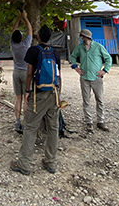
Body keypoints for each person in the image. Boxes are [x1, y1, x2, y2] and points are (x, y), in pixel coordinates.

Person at [11, 25, 61, 175]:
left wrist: (27, 91)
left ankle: (24, 164)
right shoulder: (55, 53)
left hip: (38, 94)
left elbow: (29, 74)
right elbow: (59, 75)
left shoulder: (33, 51)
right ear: (50, 37)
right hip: (54, 93)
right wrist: (59, 93)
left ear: (39, 37)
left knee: (30, 127)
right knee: (53, 128)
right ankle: (51, 162)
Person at [70, 29, 112, 133]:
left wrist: (105, 70)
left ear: (85, 36)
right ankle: (89, 122)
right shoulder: (79, 47)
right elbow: (73, 56)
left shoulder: (98, 47)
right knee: (86, 100)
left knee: (100, 99)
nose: (81, 37)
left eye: (82, 36)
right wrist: (76, 68)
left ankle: (100, 120)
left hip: (96, 77)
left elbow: (108, 58)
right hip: (84, 78)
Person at [10, 10, 33, 133]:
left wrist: (18, 18)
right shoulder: (26, 45)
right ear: (21, 38)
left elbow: (14, 31)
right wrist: (25, 17)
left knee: (18, 98)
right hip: (25, 73)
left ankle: (17, 121)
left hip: (16, 72)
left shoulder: (13, 45)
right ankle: (25, 122)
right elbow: (30, 29)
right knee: (26, 98)